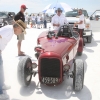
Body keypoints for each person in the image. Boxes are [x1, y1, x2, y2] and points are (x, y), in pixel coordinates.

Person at [0, 19, 27, 100]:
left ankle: (2, 85)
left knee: (1, 69)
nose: (21, 33)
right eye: (22, 31)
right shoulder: (9, 30)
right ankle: (0, 94)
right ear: (18, 28)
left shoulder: (11, 31)